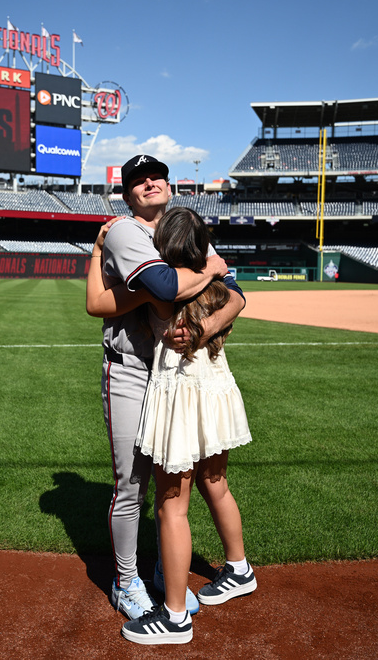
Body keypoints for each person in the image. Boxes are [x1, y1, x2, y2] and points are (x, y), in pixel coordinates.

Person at [84, 155, 245, 622]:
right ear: (127, 194)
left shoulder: (180, 226)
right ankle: (126, 578)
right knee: (131, 484)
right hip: (134, 370)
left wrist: (205, 326)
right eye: (136, 180)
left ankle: (162, 571)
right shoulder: (124, 231)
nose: (148, 182)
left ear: (170, 186)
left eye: (156, 176)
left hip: (174, 373)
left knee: (172, 484)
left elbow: (238, 295)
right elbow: (164, 284)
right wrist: (211, 270)